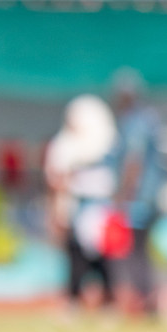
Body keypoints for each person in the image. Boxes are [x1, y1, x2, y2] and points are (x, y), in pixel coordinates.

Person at [45, 94, 119, 316]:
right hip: (75, 209)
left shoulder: (107, 144)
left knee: (103, 260)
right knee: (76, 258)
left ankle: (109, 304)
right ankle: (73, 302)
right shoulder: (63, 145)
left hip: (99, 210)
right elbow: (55, 179)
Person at [110, 69, 165, 318]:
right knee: (141, 251)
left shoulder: (135, 121)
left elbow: (134, 161)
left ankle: (145, 302)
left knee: (135, 251)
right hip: (151, 195)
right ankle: (148, 301)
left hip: (140, 198)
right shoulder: (148, 118)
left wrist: (123, 194)